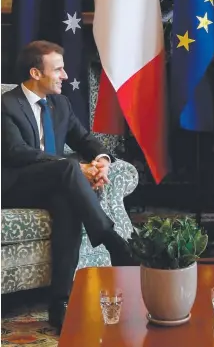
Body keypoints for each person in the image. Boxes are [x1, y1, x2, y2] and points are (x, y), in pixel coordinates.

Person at [1, 41, 135, 334]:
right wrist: (75, 168)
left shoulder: (60, 104)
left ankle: (60, 304)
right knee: (68, 168)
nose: (65, 75)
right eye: (58, 69)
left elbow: (84, 138)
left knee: (68, 203)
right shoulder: (7, 104)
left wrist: (101, 161)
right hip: (13, 185)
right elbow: (15, 152)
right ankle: (113, 240)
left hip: (53, 182)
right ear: (35, 72)